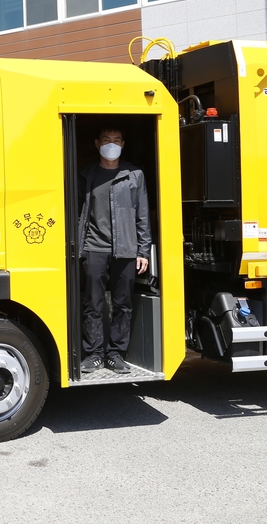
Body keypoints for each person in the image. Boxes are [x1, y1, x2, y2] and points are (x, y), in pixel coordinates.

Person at [77, 126, 151, 375]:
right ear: (97, 143)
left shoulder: (134, 175)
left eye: (116, 140)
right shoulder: (86, 174)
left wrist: (143, 250)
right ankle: (94, 354)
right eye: (107, 140)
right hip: (93, 247)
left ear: (123, 143)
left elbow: (142, 214)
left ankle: (116, 354)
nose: (112, 144)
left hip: (126, 248)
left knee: (123, 305)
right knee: (92, 304)